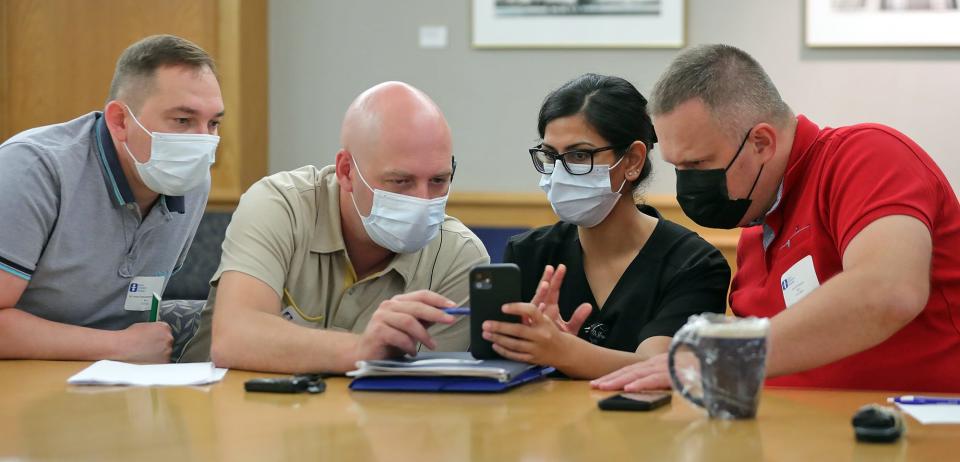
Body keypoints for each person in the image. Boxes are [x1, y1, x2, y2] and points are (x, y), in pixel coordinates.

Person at [593, 44, 960, 392]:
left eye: (698, 164)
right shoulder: (756, 232)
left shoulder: (867, 156)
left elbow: (888, 291)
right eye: (678, 167)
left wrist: (720, 357)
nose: (687, 183)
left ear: (762, 143)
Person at [180, 81, 489, 373]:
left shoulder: (459, 257)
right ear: (346, 171)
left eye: (439, 180)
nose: (423, 200)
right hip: (229, 414)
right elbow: (234, 338)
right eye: (400, 181)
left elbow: (430, 393)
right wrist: (362, 351)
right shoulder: (280, 206)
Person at [481, 74, 730, 379]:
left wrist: (561, 351)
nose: (559, 174)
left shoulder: (694, 265)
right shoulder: (528, 253)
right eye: (550, 156)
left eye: (579, 155)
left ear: (632, 161)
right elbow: (496, 364)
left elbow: (659, 369)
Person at [0, 35, 223, 363]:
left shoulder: (192, 182)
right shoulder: (34, 168)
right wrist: (117, 346)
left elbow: (139, 304)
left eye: (214, 123)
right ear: (120, 121)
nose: (203, 142)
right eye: (183, 121)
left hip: (118, 381)